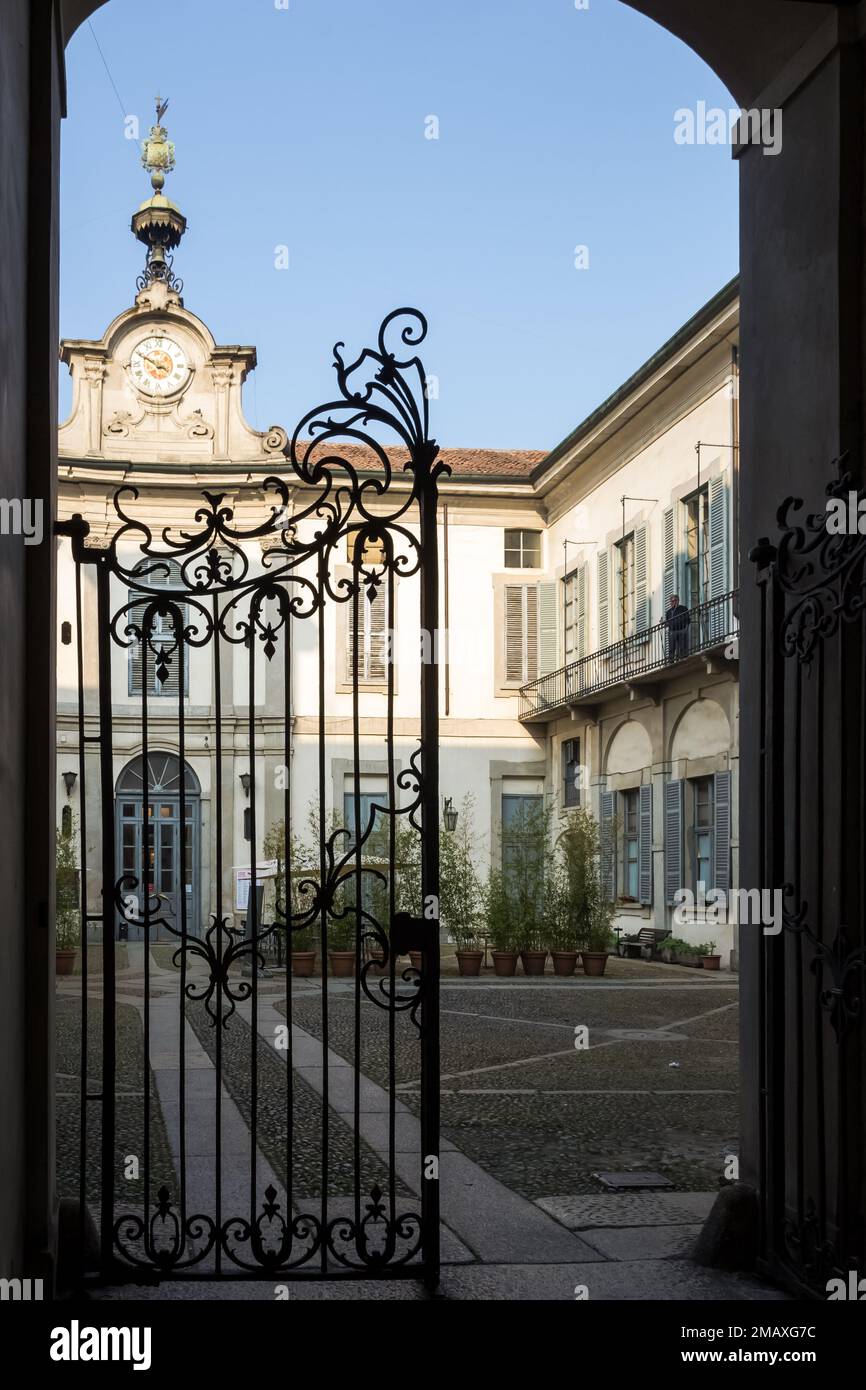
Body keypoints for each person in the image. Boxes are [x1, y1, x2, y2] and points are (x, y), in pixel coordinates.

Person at [665, 593, 690, 661]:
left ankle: (682, 658)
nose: (673, 602)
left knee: (682, 646)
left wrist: (686, 629)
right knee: (671, 647)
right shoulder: (668, 612)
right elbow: (668, 622)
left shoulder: (683, 608)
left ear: (678, 601)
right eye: (672, 601)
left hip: (681, 630)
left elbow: (687, 619)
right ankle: (671, 660)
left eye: (675, 600)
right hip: (672, 631)